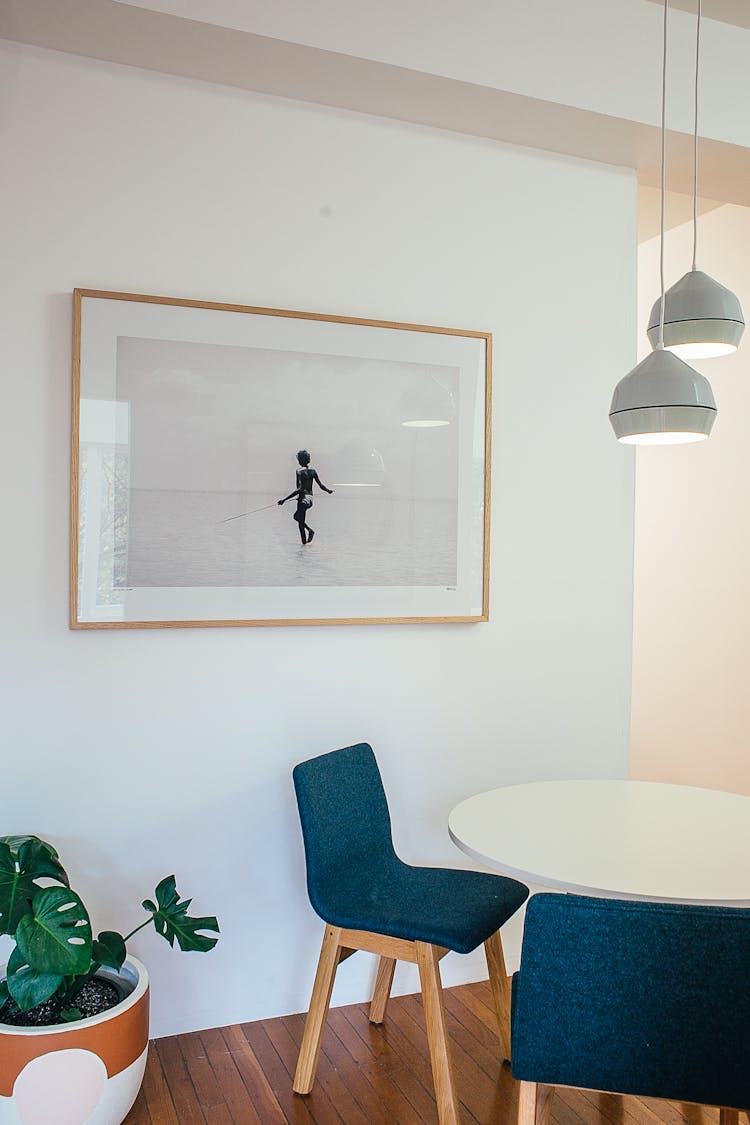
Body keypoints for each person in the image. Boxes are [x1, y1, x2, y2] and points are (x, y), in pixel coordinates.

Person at [278, 450, 333, 545]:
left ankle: (303, 545)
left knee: (300, 523)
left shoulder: (299, 471)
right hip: (310, 499)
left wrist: (284, 499)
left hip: (303, 499)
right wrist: (328, 491)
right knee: (296, 517)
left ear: (300, 460)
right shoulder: (313, 471)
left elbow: (299, 489)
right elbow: (321, 486)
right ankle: (309, 532)